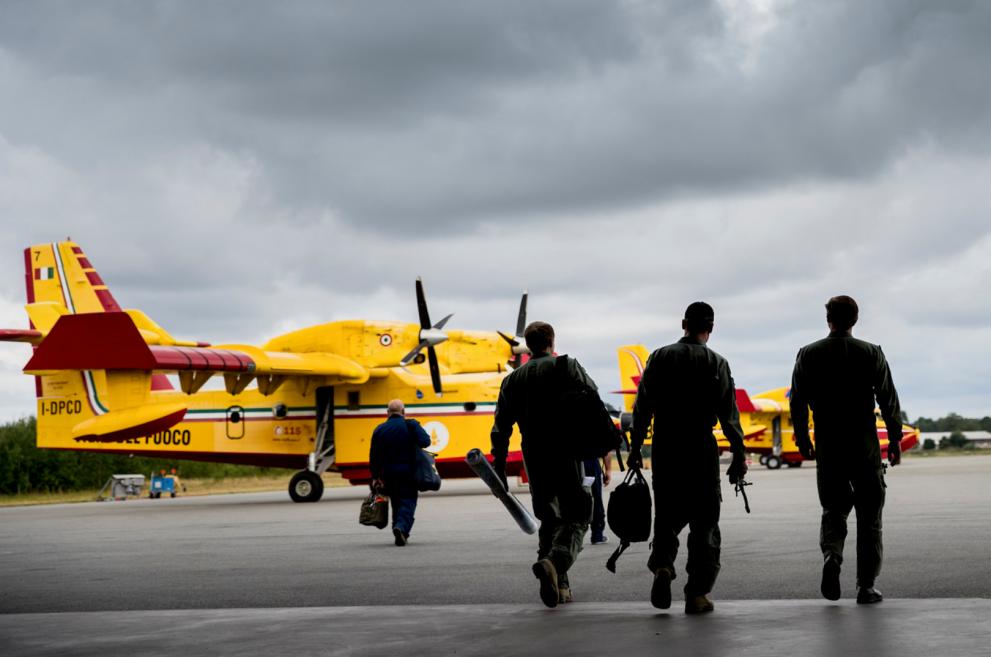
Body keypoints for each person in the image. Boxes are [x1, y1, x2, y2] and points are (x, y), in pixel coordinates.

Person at [627, 302, 747, 614]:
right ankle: (696, 594)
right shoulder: (717, 362)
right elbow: (729, 415)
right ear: (711, 327)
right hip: (701, 448)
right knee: (705, 523)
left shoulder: (660, 357)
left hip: (667, 447)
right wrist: (739, 454)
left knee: (666, 516)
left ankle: (664, 566)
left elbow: (642, 408)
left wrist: (636, 448)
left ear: (683, 323)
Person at [491, 321, 616, 607]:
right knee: (578, 516)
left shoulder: (512, 379)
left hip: (534, 456)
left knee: (550, 519)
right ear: (551, 340)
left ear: (529, 344)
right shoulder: (566, 366)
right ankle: (555, 563)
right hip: (567, 451)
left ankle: (561, 588)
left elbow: (500, 429)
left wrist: (498, 465)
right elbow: (594, 398)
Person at [790, 295, 903, 605]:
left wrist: (802, 439)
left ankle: (833, 556)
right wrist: (894, 440)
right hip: (864, 445)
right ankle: (866, 586)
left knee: (834, 510)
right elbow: (888, 400)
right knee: (870, 517)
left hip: (829, 445)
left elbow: (797, 401)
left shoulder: (808, 354)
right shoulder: (871, 353)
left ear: (828, 319)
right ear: (855, 320)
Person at [369, 399, 432, 546]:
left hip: (388, 475)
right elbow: (426, 442)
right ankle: (401, 528)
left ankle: (398, 530)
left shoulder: (379, 429)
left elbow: (374, 455)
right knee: (408, 502)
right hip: (408, 473)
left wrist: (375, 476)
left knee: (396, 503)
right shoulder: (410, 425)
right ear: (403, 412)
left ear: (387, 413)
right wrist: (414, 427)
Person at [584, 453, 613, 544]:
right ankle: (597, 534)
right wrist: (608, 470)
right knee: (596, 498)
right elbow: (606, 449)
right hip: (590, 461)